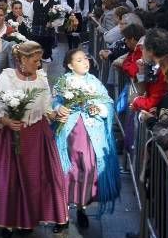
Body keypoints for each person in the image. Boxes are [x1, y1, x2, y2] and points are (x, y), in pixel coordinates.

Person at [0, 41, 68, 238]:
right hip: (9, 136)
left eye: (39, 61)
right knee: (8, 179)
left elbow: (47, 108)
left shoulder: (42, 79)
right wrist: (6, 121)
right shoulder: (7, 77)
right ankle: (6, 224)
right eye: (35, 61)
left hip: (36, 134)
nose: (38, 65)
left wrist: (58, 114)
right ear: (22, 60)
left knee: (33, 178)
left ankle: (27, 220)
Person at [52, 49, 121, 228]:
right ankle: (63, 213)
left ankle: (82, 207)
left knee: (88, 168)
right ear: (69, 65)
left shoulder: (94, 81)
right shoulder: (63, 82)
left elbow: (107, 102)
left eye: (86, 59)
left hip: (91, 134)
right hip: (69, 133)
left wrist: (100, 109)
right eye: (80, 60)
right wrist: (59, 108)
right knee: (67, 169)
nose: (85, 62)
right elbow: (55, 101)